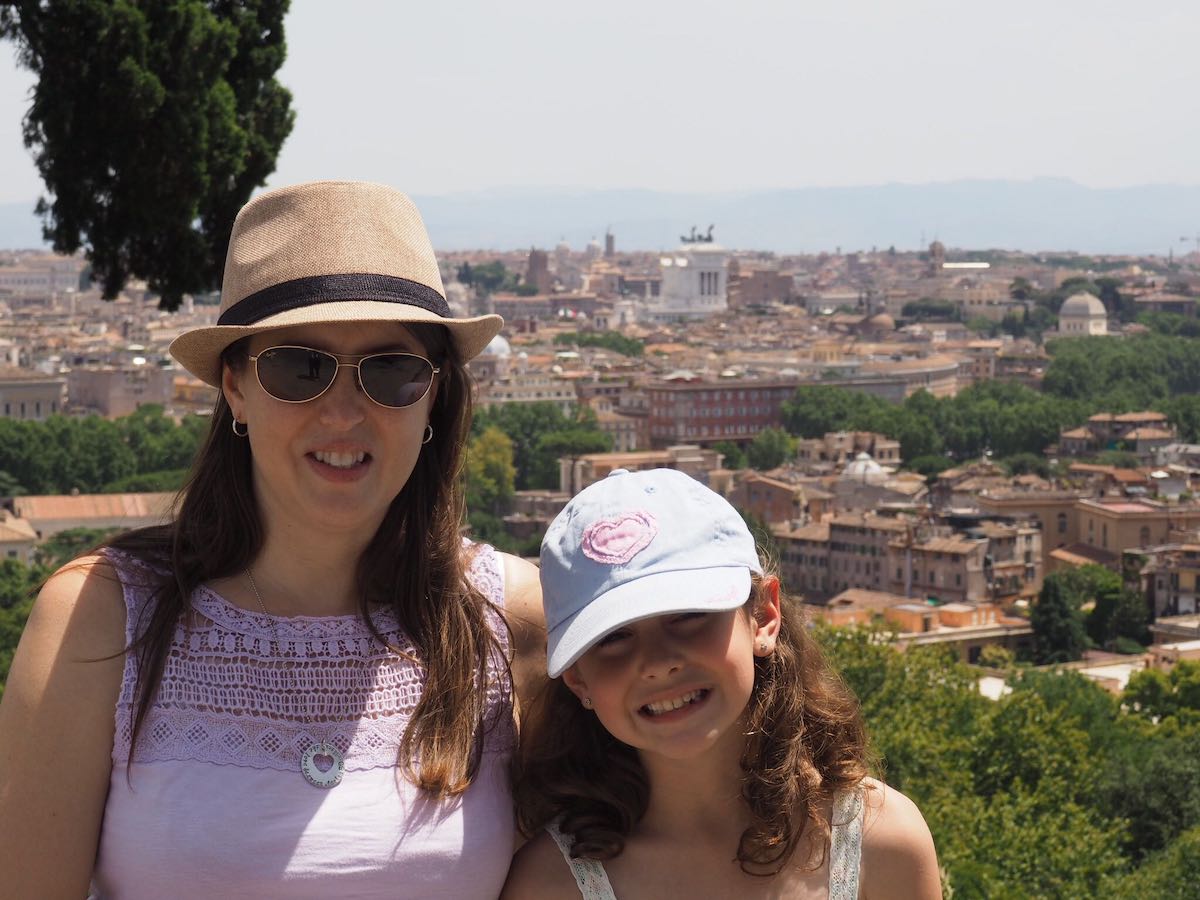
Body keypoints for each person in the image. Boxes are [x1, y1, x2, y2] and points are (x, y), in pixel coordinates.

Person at [0, 181, 545, 898]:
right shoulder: (98, 619)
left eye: (392, 369)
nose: (344, 411)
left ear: (435, 393)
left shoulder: (514, 621)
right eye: (300, 367)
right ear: (235, 388)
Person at [503, 468, 941, 900]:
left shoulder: (883, 842)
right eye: (613, 638)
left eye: (689, 616)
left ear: (765, 617)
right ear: (579, 679)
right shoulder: (547, 885)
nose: (658, 663)